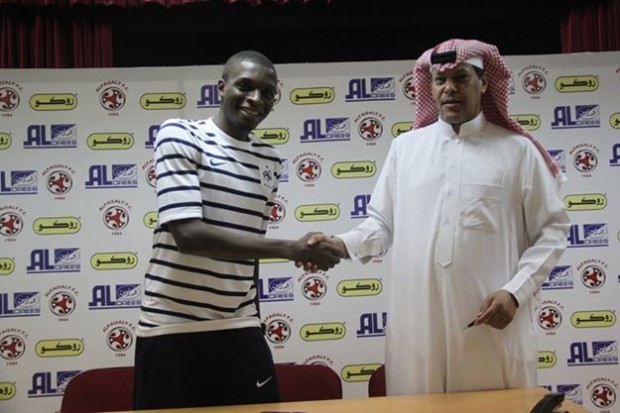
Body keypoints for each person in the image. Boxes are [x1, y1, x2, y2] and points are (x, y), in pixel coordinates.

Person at [304, 39, 570, 394]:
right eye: (440, 80)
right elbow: (380, 225)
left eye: (461, 77)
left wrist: (515, 292)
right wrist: (339, 245)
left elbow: (552, 230)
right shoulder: (405, 149)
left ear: (484, 82)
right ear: (429, 87)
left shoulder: (517, 151)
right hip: (418, 328)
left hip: (489, 326)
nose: (450, 88)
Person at [133, 50, 342, 410]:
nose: (256, 99)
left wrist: (255, 316)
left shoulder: (270, 159)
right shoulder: (180, 134)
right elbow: (189, 236)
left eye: (268, 93)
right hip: (171, 325)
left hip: (239, 324)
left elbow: (249, 249)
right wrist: (292, 249)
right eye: (245, 86)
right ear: (221, 87)